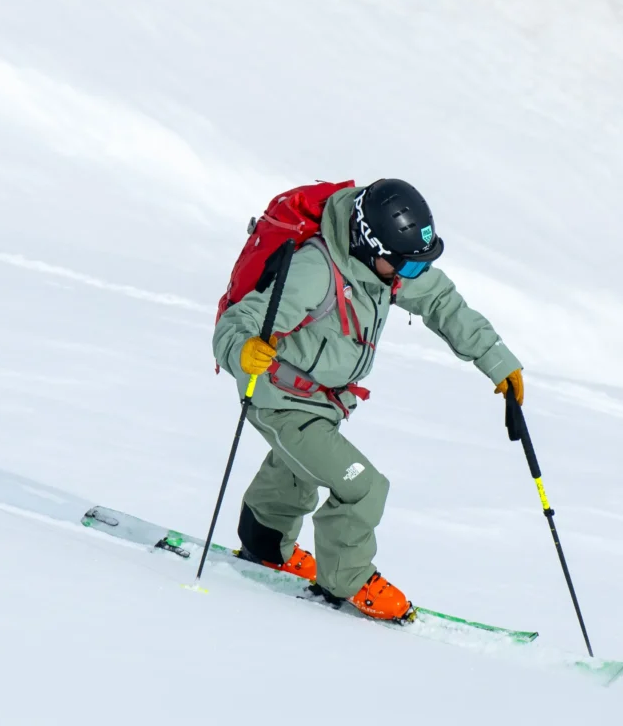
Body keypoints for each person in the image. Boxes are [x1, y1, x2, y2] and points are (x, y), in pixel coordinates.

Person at [211, 178, 523, 622]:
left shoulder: (385, 269)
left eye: (416, 266)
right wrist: (241, 349)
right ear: (367, 243)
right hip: (281, 398)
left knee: (298, 470)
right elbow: (238, 322)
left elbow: (441, 300)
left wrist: (497, 361)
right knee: (362, 487)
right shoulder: (315, 271)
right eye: (406, 266)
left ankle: (264, 545)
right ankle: (348, 578)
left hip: (322, 399)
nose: (410, 276)